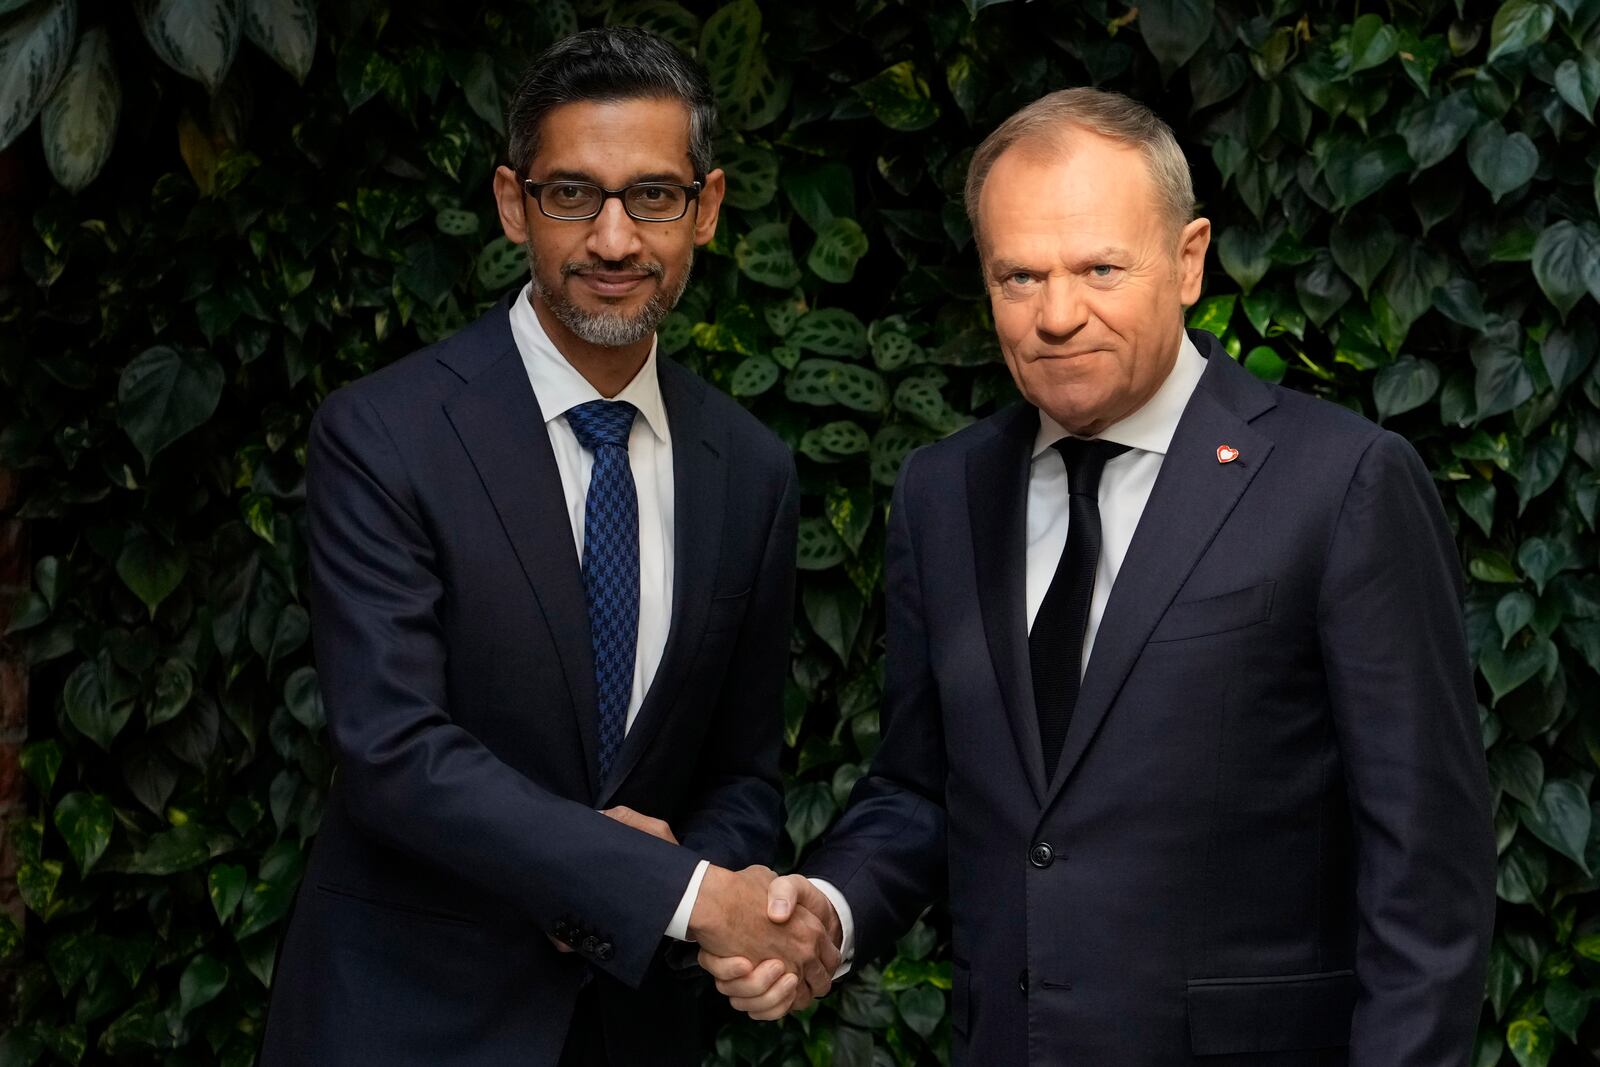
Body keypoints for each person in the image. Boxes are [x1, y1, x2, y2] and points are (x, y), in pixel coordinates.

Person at [702, 87, 1496, 1066]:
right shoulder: (942, 492)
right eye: (1019, 275)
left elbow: (1428, 874)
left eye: (1099, 268)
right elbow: (917, 786)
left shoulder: (1341, 484)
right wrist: (822, 909)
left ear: (1189, 260)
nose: (1056, 314)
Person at [260, 28, 837, 1067]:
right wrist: (692, 895)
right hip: (406, 1022)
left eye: (652, 197)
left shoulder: (750, 471)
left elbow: (742, 772)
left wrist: (718, 904)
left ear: (705, 208)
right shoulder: (386, 434)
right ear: (510, 202)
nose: (614, 240)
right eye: (573, 195)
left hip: (633, 1028)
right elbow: (394, 751)